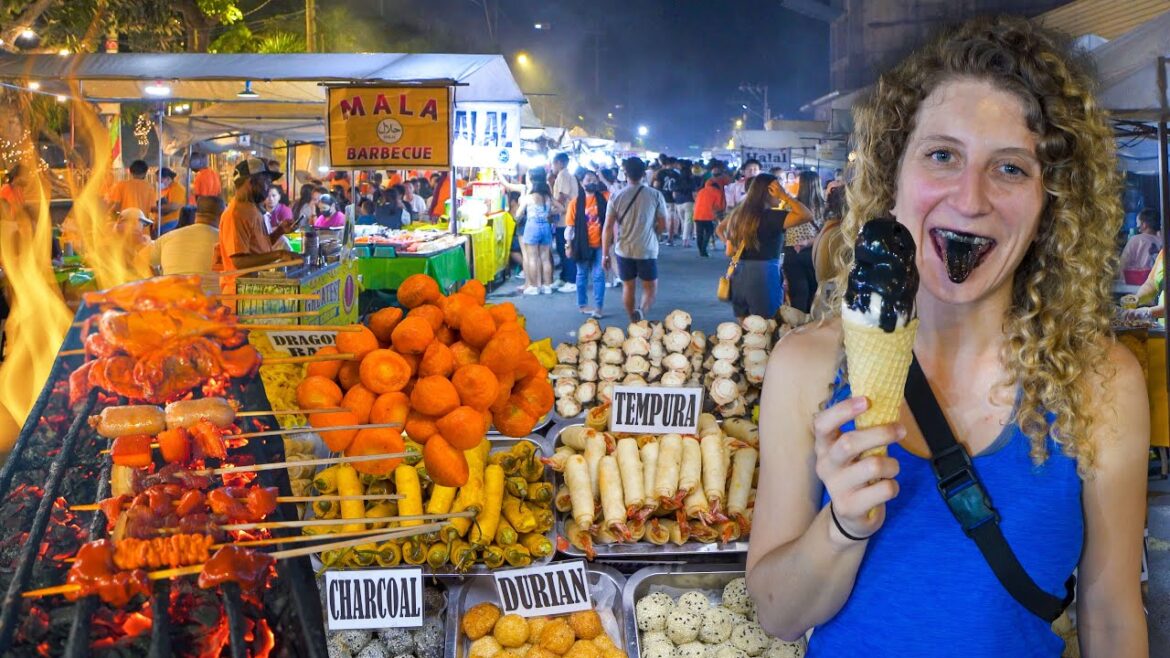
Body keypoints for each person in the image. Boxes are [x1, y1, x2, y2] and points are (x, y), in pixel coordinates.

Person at [746, 16, 1149, 658]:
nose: (971, 198)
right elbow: (777, 614)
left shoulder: (1100, 381)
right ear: (893, 175)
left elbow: (1111, 611)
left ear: (1053, 201)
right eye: (942, 155)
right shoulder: (808, 366)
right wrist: (843, 527)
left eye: (1011, 169)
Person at [722, 174, 812, 319]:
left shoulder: (737, 215)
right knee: (767, 325)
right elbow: (806, 215)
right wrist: (785, 197)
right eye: (778, 189)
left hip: (739, 273)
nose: (780, 193)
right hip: (764, 274)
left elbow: (730, 251)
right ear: (769, 192)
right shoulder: (771, 216)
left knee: (745, 326)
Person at [602, 157, 668, 322]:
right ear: (643, 173)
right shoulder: (655, 195)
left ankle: (632, 317)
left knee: (628, 286)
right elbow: (663, 225)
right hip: (646, 249)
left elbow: (608, 227)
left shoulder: (616, 196)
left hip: (624, 249)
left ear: (625, 173)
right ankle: (641, 311)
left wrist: (605, 254)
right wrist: (656, 233)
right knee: (650, 287)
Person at [215, 157, 294, 275]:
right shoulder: (235, 214)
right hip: (239, 289)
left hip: (255, 286)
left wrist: (280, 231)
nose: (268, 187)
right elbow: (239, 261)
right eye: (266, 181)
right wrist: (280, 254)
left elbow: (257, 250)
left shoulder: (253, 208)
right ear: (250, 182)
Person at [567, 170, 609, 318]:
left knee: (599, 275)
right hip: (581, 245)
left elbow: (616, 193)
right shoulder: (575, 203)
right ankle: (583, 305)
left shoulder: (605, 197)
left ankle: (598, 307)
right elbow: (570, 227)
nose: (592, 182)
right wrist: (568, 245)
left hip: (601, 244)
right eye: (588, 179)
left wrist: (603, 177)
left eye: (594, 179)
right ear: (581, 183)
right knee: (581, 274)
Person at [782, 170, 826, 313]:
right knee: (814, 293)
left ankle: (798, 329)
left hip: (792, 253)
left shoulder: (791, 206)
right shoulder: (825, 207)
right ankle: (811, 327)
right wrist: (809, 242)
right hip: (814, 253)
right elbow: (827, 234)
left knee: (798, 295)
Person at [150, 196, 223, 276]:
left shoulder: (168, 237)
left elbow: (142, 260)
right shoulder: (225, 240)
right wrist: (238, 289)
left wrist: (157, 281)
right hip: (211, 288)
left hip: (172, 287)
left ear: (196, 214)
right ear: (222, 216)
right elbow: (238, 275)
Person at [516, 170, 560, 295]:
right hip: (545, 226)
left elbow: (518, 214)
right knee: (545, 258)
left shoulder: (529, 197)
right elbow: (561, 208)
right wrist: (548, 213)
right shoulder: (547, 196)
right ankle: (547, 286)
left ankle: (534, 287)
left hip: (532, 226)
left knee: (532, 258)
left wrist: (519, 217)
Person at [551, 152, 579, 292]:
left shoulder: (563, 175)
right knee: (563, 250)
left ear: (560, 163)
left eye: (553, 163)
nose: (552, 166)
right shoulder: (567, 175)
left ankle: (571, 280)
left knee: (566, 249)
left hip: (566, 218)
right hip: (566, 217)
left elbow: (562, 196)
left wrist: (552, 208)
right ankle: (564, 277)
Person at [1121, 248, 1165, 326]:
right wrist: (1136, 298)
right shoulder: (1164, 252)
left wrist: (1149, 312)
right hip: (1163, 329)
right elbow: (1152, 284)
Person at [1119, 208, 1161, 274]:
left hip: (1137, 282)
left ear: (1144, 224)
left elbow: (1123, 265)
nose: (1136, 225)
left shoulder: (1136, 240)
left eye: (1137, 222)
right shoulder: (1163, 241)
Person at [692, 177, 725, 257]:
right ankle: (703, 250)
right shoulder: (717, 192)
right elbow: (719, 206)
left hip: (697, 214)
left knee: (699, 233)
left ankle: (701, 251)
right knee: (709, 231)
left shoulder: (701, 191)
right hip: (707, 215)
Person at [653, 155, 682, 245]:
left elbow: (656, 185)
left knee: (657, 217)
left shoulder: (660, 173)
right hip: (671, 200)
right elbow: (677, 189)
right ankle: (670, 239)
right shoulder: (677, 174)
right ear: (673, 164)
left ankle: (658, 237)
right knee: (671, 218)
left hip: (661, 197)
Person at [674, 159, 696, 248]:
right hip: (689, 202)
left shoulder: (677, 178)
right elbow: (694, 192)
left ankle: (684, 237)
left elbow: (674, 192)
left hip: (678, 202)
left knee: (683, 221)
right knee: (688, 222)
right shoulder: (692, 178)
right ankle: (685, 240)